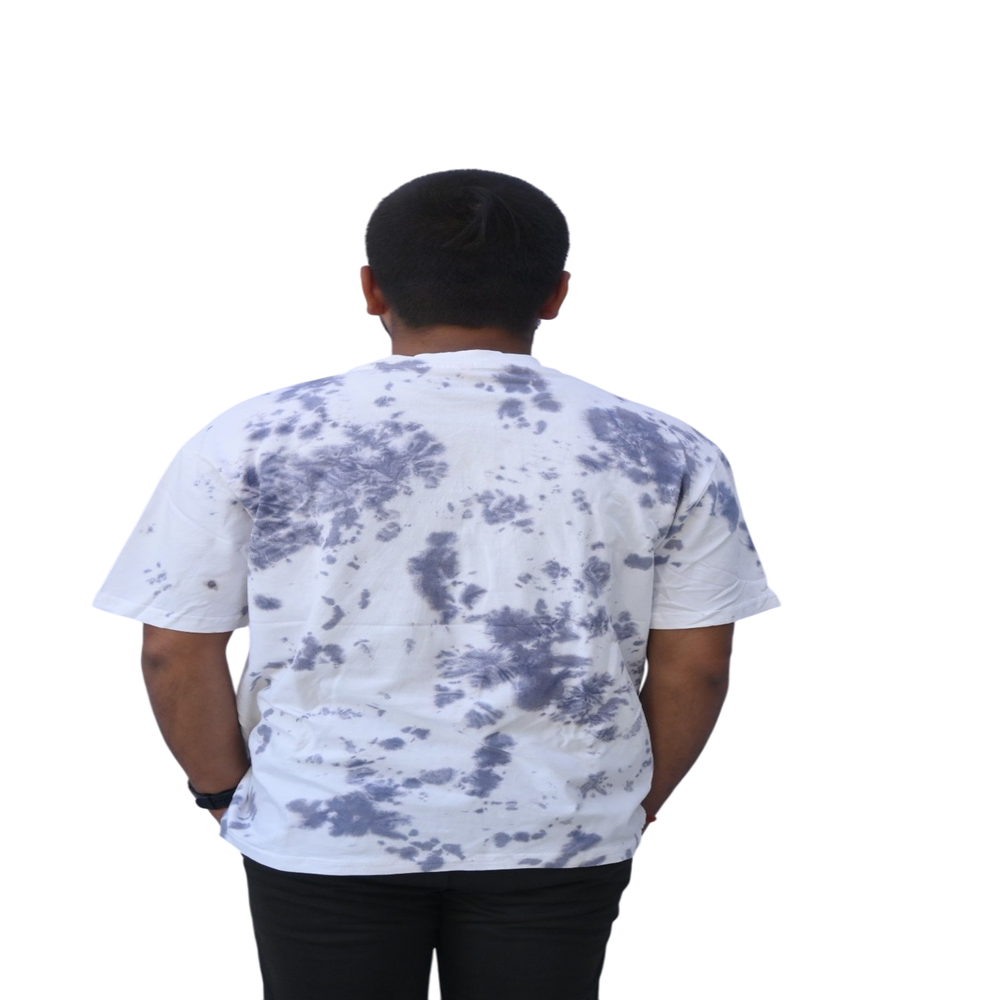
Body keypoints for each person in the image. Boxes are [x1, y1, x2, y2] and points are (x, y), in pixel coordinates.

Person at [94, 168, 779, 1000]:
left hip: (323, 825)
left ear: (371, 289)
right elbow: (697, 667)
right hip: (559, 829)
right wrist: (631, 801)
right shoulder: (667, 450)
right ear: (557, 294)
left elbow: (173, 650)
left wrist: (221, 792)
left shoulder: (251, 437)